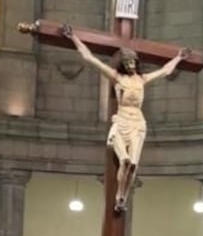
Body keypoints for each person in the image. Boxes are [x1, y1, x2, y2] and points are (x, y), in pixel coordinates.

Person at [64, 25, 189, 213]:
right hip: (122, 121)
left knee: (134, 165)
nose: (131, 65)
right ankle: (119, 197)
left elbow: (165, 71)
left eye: (133, 62)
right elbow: (90, 58)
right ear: (124, 64)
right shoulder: (116, 77)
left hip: (137, 124)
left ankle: (123, 195)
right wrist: (74, 37)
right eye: (128, 63)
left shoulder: (142, 79)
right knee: (125, 161)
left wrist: (178, 57)